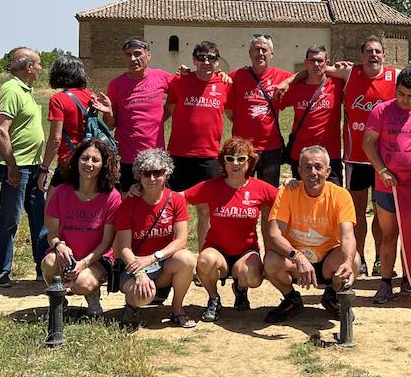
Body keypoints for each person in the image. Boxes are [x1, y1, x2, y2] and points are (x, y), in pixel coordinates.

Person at [184, 137, 279, 322]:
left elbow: (288, 202)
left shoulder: (260, 188)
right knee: (204, 260)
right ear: (223, 162)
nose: (235, 163)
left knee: (253, 277)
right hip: (217, 250)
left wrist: (293, 185)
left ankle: (241, 289)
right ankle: (213, 298)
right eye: (230, 159)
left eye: (241, 159)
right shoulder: (211, 186)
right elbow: (178, 198)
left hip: (246, 251)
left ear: (250, 162)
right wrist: (143, 190)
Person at [262, 145, 359, 323]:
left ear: (328, 171)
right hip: (296, 262)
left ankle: (332, 296)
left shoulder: (341, 195)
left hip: (328, 262)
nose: (313, 172)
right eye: (307, 167)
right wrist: (297, 256)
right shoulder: (287, 192)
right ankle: (291, 299)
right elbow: (274, 234)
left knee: (354, 259)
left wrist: (347, 262)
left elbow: (347, 236)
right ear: (299, 170)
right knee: (270, 260)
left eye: (318, 167)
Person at [361, 65, 411, 303]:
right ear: (395, 90)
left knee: (410, 236)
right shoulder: (381, 111)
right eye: (401, 94)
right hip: (387, 186)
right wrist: (381, 170)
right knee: (389, 235)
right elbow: (368, 144)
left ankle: (407, 281)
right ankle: (384, 283)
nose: (405, 100)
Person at [114, 148, 199, 328]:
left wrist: (154, 257)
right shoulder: (129, 203)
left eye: (157, 173)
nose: (152, 179)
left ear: (166, 174)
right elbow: (123, 248)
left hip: (162, 263)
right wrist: (139, 273)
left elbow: (181, 240)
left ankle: (177, 310)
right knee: (143, 296)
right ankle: (132, 305)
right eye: (146, 174)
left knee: (187, 259)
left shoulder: (175, 199)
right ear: (139, 176)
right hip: (135, 266)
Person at [41, 138, 122, 316]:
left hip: (97, 258)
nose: (89, 164)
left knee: (83, 283)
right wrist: (58, 245)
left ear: (104, 165)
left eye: (95, 160)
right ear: (76, 160)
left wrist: (83, 263)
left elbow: (107, 242)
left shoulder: (112, 196)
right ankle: (58, 299)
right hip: (67, 255)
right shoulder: (61, 192)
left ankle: (93, 298)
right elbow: (52, 234)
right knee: (48, 263)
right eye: (84, 158)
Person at [0, 48, 48, 287]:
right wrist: (12, 165)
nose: (41, 68)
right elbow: (0, 130)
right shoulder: (12, 90)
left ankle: (43, 268)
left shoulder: (26, 90)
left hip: (33, 165)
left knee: (40, 219)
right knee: (10, 219)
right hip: (17, 166)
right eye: (38, 64)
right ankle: (1, 271)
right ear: (28, 67)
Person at [339, 36, 397, 272]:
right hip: (355, 156)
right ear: (361, 56)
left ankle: (381, 259)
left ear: (384, 56)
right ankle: (359, 257)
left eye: (378, 51)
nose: (373, 55)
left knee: (382, 211)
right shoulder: (350, 74)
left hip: (383, 157)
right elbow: (317, 67)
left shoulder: (395, 75)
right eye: (369, 51)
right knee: (358, 210)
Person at [100, 38, 175, 191]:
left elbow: (181, 91)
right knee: (126, 202)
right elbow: (110, 125)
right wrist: (107, 112)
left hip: (154, 156)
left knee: (156, 202)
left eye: (137, 54)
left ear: (148, 55)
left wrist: (162, 117)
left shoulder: (162, 77)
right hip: (126, 157)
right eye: (128, 55)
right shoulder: (116, 85)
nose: (133, 59)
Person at [163, 40, 231, 191]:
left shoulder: (225, 84)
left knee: (206, 206)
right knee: (173, 201)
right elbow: (167, 110)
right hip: (179, 154)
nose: (206, 61)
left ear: (217, 61)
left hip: (209, 155)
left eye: (211, 58)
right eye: (201, 58)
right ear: (194, 60)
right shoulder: (180, 81)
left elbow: (233, 114)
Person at [228, 35, 293, 186]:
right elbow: (229, 111)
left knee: (268, 193)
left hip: (271, 147)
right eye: (256, 49)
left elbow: (304, 76)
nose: (260, 53)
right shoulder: (236, 76)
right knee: (240, 189)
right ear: (250, 53)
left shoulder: (281, 76)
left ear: (271, 53)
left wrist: (288, 81)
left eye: (264, 49)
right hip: (243, 147)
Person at [276, 45, 345, 183]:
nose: (316, 64)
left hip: (330, 154)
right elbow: (274, 107)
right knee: (301, 198)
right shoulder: (295, 88)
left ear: (327, 63)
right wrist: (288, 81)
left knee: (332, 198)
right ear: (306, 62)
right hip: (301, 155)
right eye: (312, 61)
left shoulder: (337, 85)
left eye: (320, 61)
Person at [43, 54, 95, 186]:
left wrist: (44, 168)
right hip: (89, 157)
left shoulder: (58, 99)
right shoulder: (90, 96)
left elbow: (55, 139)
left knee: (53, 203)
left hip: (68, 160)